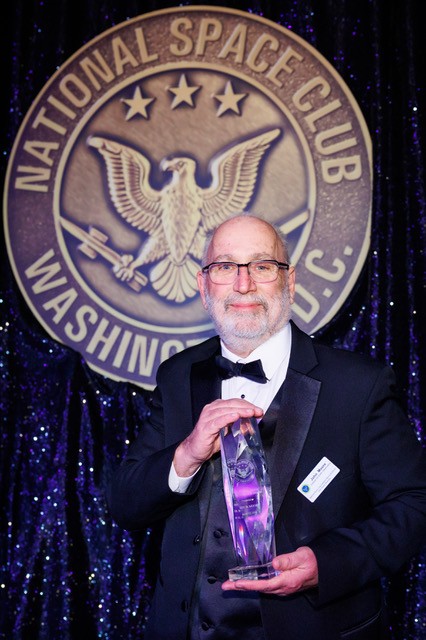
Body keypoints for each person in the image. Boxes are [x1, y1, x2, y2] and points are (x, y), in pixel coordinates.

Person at [107, 214, 426, 640]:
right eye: (225, 266)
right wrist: (186, 455)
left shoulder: (359, 385)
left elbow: (413, 502)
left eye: (261, 265)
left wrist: (325, 564)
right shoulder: (177, 375)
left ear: (289, 282)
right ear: (203, 286)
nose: (243, 284)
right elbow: (125, 503)